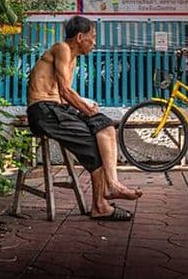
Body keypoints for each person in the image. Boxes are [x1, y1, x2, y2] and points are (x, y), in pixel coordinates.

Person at [26, 15, 141, 221]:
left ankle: (112, 185)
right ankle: (100, 205)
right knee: (94, 143)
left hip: (57, 109)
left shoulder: (73, 59)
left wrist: (88, 106)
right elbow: (64, 90)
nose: (94, 42)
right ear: (80, 37)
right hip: (43, 112)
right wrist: (87, 110)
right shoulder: (62, 48)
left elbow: (63, 95)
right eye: (93, 37)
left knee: (105, 125)